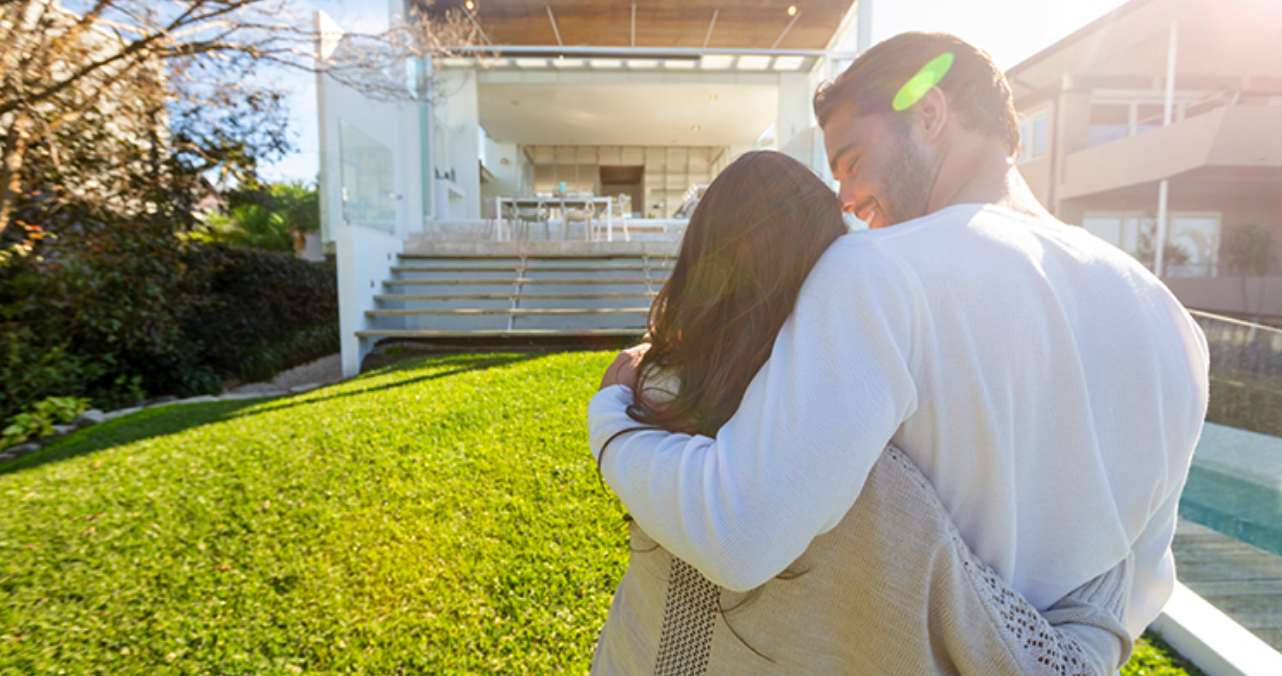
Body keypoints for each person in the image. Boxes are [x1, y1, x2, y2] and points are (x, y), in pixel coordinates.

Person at [589, 31, 1208, 668]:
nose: (847, 200)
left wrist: (613, 418)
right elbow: (1137, 588)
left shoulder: (877, 272)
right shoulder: (1171, 322)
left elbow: (742, 532)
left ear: (930, 113)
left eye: (853, 161)